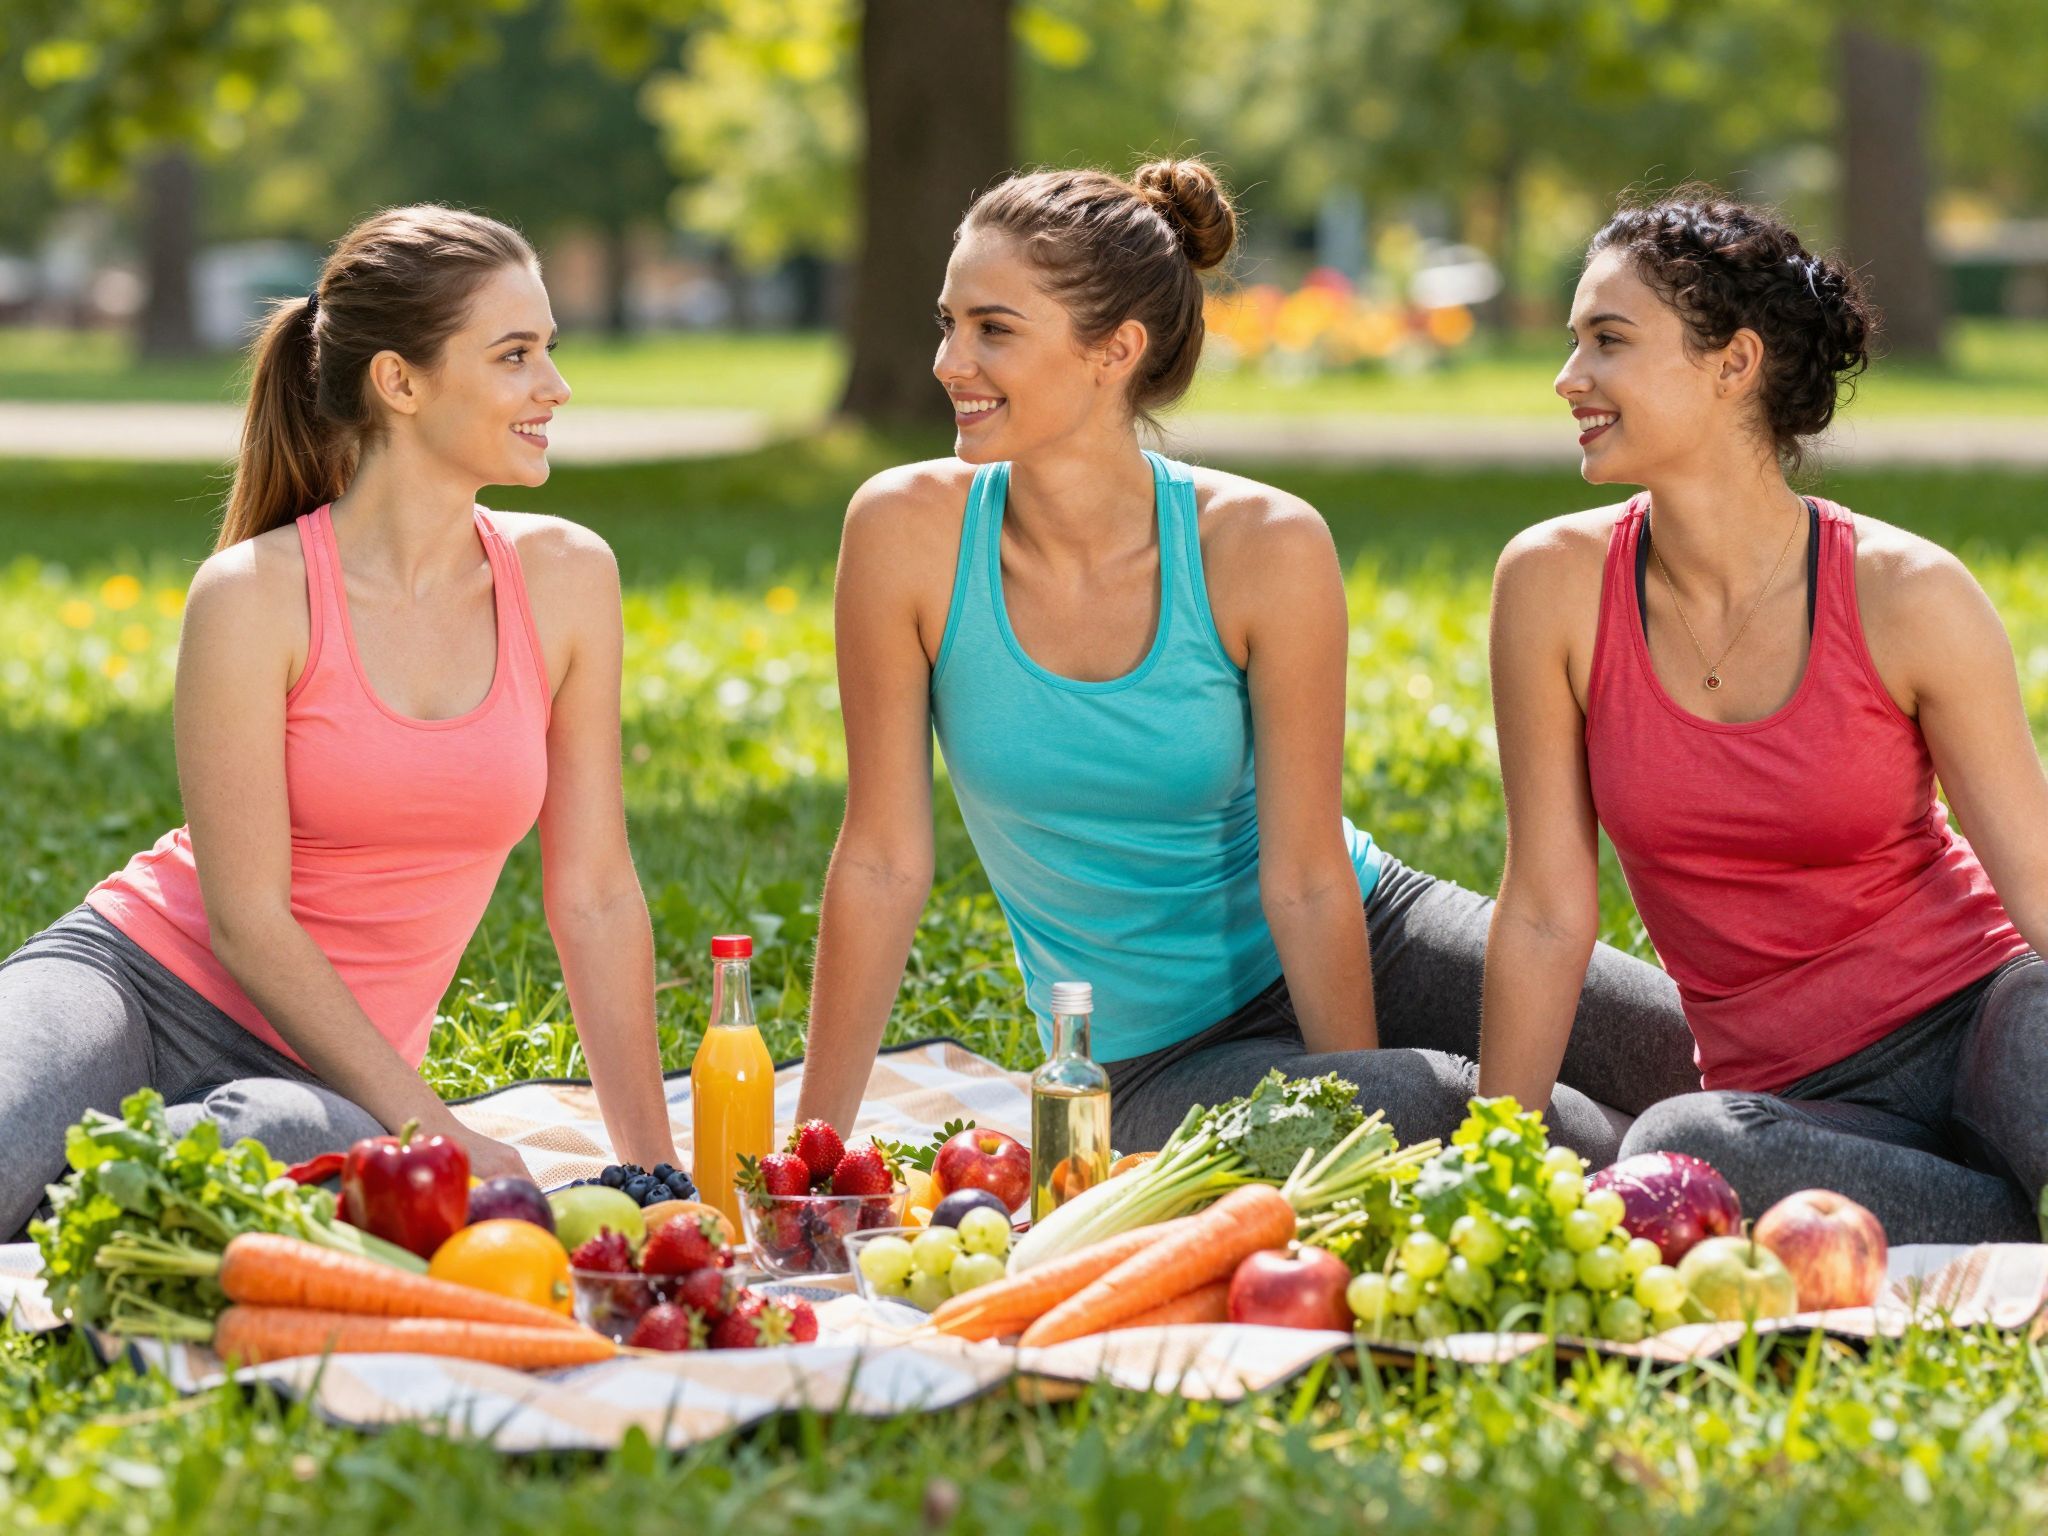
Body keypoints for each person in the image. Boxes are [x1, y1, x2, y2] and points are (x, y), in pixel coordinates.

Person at [792, 160, 1697, 1159]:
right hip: (1153, 1061)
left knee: (1698, 1064)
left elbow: (1306, 879)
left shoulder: (1260, 544)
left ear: (1114, 350)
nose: (947, 360)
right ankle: (1674, 1183)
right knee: (1452, 1106)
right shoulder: (904, 533)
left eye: (991, 328)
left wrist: (1345, 1094)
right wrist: (812, 1152)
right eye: (945, 322)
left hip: (1370, 930)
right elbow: (881, 860)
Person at [0, 205, 678, 1241]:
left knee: (265, 1140)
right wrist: (434, 1125)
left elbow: (591, 893)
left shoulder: (567, 579)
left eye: (549, 350)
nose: (555, 387)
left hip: (314, 1078)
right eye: (514, 355)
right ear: (399, 383)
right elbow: (247, 921)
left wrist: (652, 1171)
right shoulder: (251, 595)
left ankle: (68, 1212)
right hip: (130, 982)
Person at [1479, 189, 2048, 1242]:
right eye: (1572, 343)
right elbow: (1546, 909)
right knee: (1671, 1153)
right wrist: (1493, 1159)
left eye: (1607, 340)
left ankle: (1967, 1199)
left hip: (1979, 1018)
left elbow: (2037, 886)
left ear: (1732, 363)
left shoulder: (1903, 591)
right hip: (1792, 1103)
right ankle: (1999, 1218)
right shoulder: (1551, 585)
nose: (1568, 378)